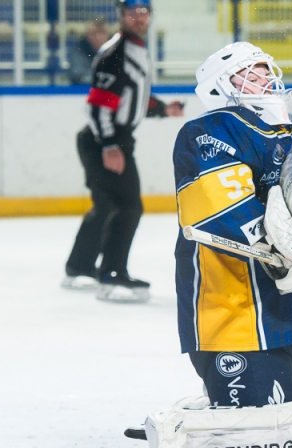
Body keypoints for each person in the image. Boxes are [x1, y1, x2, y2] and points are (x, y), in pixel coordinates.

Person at [73, 42, 292, 448]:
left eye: (264, 70)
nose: (263, 80)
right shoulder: (210, 130)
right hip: (232, 307)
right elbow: (219, 211)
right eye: (247, 75)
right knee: (250, 435)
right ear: (219, 89)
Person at [62, 0, 184, 302]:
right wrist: (110, 145)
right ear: (121, 16)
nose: (139, 17)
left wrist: (162, 109)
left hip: (108, 139)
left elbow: (133, 96)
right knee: (128, 206)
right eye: (132, 12)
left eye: (144, 12)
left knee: (107, 205)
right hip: (105, 141)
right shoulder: (116, 52)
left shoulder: (136, 49)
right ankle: (112, 274)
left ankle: (79, 267)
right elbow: (98, 105)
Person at [67, 19, 111, 85]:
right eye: (94, 33)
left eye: (102, 32)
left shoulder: (116, 51)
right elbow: (77, 76)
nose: (98, 37)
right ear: (87, 35)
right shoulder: (79, 51)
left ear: (108, 34)